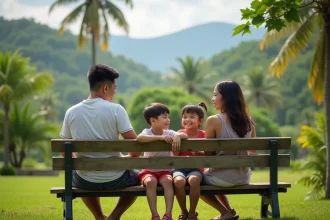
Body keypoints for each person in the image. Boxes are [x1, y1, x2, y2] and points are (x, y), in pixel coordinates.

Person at [60, 64, 141, 220]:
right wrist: (124, 159)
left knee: (76, 172)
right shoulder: (117, 110)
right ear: (105, 88)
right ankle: (113, 217)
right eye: (114, 88)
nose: (115, 92)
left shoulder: (71, 112)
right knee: (138, 177)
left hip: (84, 180)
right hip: (117, 179)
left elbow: (65, 152)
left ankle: (99, 217)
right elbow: (135, 151)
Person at [201, 80, 256, 220]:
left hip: (222, 178)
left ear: (226, 97)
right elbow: (253, 151)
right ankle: (229, 211)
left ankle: (224, 213)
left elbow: (208, 156)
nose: (212, 99)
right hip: (244, 177)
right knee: (212, 175)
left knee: (193, 181)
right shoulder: (249, 120)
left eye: (215, 95)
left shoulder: (213, 120)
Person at [136, 103, 188, 220]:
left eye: (168, 117)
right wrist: (160, 138)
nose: (168, 120)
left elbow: (184, 135)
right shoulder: (147, 132)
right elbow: (139, 138)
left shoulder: (169, 133)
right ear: (153, 120)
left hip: (165, 171)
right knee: (151, 182)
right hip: (149, 171)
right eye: (164, 117)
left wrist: (178, 136)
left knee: (168, 182)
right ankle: (155, 215)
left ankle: (168, 214)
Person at [172, 103, 207, 220]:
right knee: (178, 182)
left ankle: (192, 213)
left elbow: (210, 154)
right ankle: (184, 212)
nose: (187, 119)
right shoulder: (178, 134)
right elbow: (175, 154)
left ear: (200, 121)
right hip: (179, 169)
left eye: (192, 117)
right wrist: (177, 137)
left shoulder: (204, 135)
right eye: (185, 117)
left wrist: (200, 153)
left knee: (194, 180)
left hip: (196, 170)